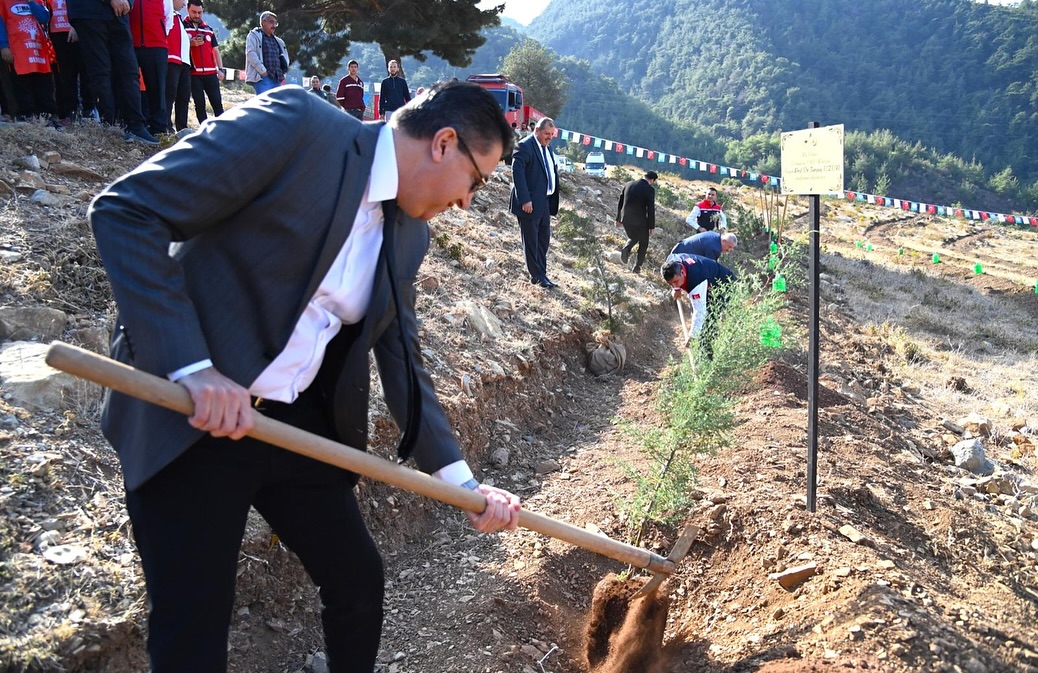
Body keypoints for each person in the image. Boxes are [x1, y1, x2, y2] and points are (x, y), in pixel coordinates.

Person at [88, 80, 521, 673]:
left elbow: (403, 361)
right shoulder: (298, 128)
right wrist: (193, 367)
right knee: (193, 624)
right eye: (477, 181)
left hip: (294, 429)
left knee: (358, 581)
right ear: (444, 143)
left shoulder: (409, 234)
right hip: (192, 418)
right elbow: (127, 210)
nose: (469, 202)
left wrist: (462, 483)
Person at [68, 0, 159, 143]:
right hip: (89, 13)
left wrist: (128, 2)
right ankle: (110, 127)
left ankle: (135, 127)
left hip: (118, 15)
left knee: (129, 70)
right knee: (100, 72)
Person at [510, 117, 560, 288]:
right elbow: (517, 172)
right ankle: (538, 277)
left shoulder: (547, 147)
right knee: (531, 241)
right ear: (536, 130)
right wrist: (524, 199)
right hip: (529, 202)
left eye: (552, 134)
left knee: (543, 239)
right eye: (547, 134)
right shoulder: (524, 145)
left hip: (544, 202)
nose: (549, 137)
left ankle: (541, 274)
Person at [661, 253, 735, 351]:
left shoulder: (696, 280)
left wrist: (692, 336)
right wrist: (676, 289)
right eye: (671, 284)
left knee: (709, 321)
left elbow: (700, 311)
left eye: (676, 282)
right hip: (708, 279)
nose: (674, 285)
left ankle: (707, 356)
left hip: (724, 285)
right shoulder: (672, 262)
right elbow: (672, 278)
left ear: (682, 272)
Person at [0, 0, 58, 121]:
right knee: (21, 84)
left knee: (43, 84)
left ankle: (46, 115)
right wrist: (4, 45)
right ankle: (27, 115)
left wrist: (31, 2)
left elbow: (44, 17)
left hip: (39, 51)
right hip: (17, 51)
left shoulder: (38, 1)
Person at [45, 0, 92, 123]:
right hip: (56, 33)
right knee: (66, 74)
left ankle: (89, 111)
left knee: (85, 72)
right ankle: (70, 112)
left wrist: (77, 26)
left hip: (77, 30)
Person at [129, 0, 171, 136]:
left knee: (157, 88)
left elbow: (169, 17)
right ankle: (135, 124)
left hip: (156, 44)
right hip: (131, 43)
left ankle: (158, 128)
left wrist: (159, 32)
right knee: (130, 86)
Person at [183, 0, 222, 124]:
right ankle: (205, 132)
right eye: (194, 12)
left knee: (217, 103)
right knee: (199, 105)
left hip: (211, 73)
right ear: (187, 10)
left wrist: (220, 69)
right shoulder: (182, 26)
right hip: (193, 74)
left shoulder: (208, 29)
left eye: (200, 12)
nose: (197, 15)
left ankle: (223, 130)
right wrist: (191, 44)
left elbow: (216, 50)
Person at [615, 170, 658, 273]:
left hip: (625, 219)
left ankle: (627, 248)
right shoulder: (649, 190)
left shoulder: (629, 184)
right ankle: (637, 267)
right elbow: (650, 209)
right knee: (644, 243)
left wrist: (618, 218)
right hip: (640, 221)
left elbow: (620, 202)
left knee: (634, 237)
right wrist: (651, 227)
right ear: (652, 180)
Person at [244, 10, 287, 95]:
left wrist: (283, 71)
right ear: (263, 22)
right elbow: (251, 53)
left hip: (277, 78)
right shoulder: (254, 35)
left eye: (275, 23)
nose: (274, 26)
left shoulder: (278, 41)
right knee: (264, 105)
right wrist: (263, 71)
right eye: (271, 22)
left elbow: (283, 57)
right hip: (262, 77)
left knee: (276, 106)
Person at [164, 0, 189, 132]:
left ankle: (182, 128)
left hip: (184, 62)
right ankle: (166, 125)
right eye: (182, 0)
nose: (184, 4)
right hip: (172, 60)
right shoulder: (167, 14)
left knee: (184, 97)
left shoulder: (179, 17)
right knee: (169, 94)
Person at [670, 231, 737, 261]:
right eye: (729, 247)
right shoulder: (714, 248)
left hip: (678, 250)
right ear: (724, 241)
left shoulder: (715, 236)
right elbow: (709, 267)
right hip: (678, 257)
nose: (729, 250)